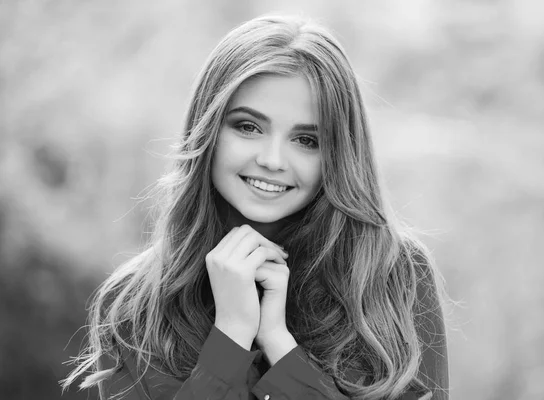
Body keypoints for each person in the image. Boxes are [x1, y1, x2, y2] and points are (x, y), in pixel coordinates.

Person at [61, 14, 449, 400]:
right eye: (248, 127)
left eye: (307, 140)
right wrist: (230, 335)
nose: (273, 160)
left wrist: (279, 345)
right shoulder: (134, 304)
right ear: (208, 127)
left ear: (339, 154)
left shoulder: (395, 278)